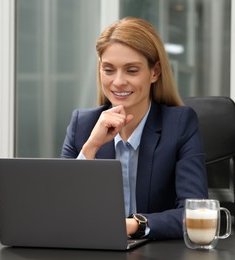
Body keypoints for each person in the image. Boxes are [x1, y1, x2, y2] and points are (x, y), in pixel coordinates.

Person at [61, 17, 208, 240]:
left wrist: (133, 225)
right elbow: (60, 209)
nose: (118, 82)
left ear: (155, 72)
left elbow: (194, 212)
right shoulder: (82, 125)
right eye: (108, 70)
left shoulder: (179, 124)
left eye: (131, 70)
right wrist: (91, 147)